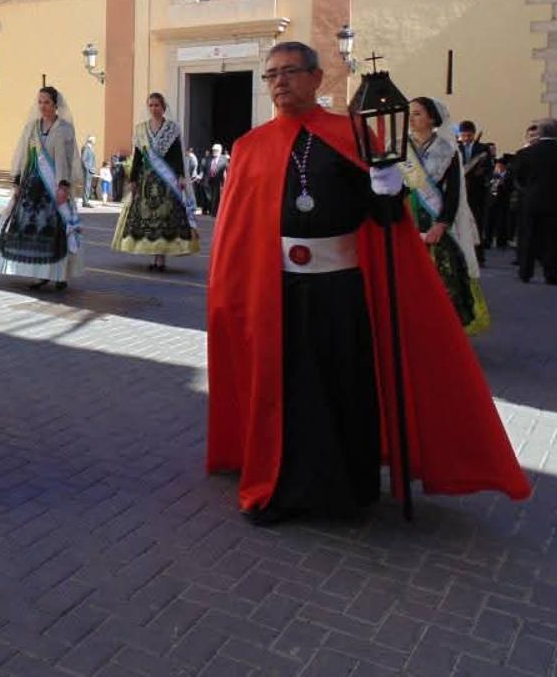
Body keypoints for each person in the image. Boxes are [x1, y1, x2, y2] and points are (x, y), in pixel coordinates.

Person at [207, 41, 529, 525]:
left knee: (341, 384)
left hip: (339, 288)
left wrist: (385, 189)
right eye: (271, 74)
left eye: (290, 71)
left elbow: (383, 221)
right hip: (279, 292)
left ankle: (347, 488)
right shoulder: (249, 147)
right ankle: (287, 486)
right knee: (288, 391)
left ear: (317, 78)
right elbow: (237, 231)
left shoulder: (351, 134)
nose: (279, 82)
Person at [399, 98, 490, 334]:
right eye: (410, 113)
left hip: (435, 222)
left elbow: (454, 195)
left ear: (432, 118)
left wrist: (442, 224)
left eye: (418, 113)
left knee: (443, 279)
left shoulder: (446, 150)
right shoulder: (398, 147)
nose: (411, 118)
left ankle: (441, 332)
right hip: (404, 220)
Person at [0, 85, 83, 291]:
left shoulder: (64, 128)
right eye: (40, 102)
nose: (43, 106)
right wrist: (17, 181)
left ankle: (59, 275)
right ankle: (40, 275)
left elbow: (66, 159)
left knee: (56, 231)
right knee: (33, 231)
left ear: (55, 104)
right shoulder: (32, 128)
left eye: (47, 102)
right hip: (33, 186)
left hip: (54, 187)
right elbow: (23, 154)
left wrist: (63, 186)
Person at [111, 92, 200, 270]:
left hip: (166, 181)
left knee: (164, 218)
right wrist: (133, 179)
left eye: (157, 105)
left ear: (163, 107)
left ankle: (161, 258)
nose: (153, 109)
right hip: (146, 179)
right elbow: (137, 157)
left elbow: (176, 156)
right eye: (150, 105)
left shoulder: (172, 129)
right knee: (148, 217)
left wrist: (181, 176)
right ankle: (153, 257)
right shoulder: (141, 129)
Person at [512, 117, 557, 285]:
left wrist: (527, 190)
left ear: (540, 132)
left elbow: (518, 177)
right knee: (553, 238)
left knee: (528, 235)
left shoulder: (525, 153)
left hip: (531, 199)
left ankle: (525, 272)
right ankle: (551, 273)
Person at [457, 120, 492, 266]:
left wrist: (481, 171)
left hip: (477, 192)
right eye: (463, 135)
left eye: (469, 135)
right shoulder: (456, 147)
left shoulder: (483, 148)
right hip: (460, 190)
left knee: (477, 223)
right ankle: (461, 256)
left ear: (473, 133)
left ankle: (479, 257)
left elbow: (489, 167)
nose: (466, 138)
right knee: (460, 224)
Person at [483, 155, 515, 251]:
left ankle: (501, 242)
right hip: (491, 201)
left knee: (501, 222)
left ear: (504, 167)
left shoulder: (508, 175)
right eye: (497, 166)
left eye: (500, 166)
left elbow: (510, 188)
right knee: (489, 221)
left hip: (502, 202)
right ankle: (487, 240)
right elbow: (486, 184)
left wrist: (502, 183)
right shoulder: (491, 174)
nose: (498, 168)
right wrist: (491, 181)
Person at [202, 143, 229, 216]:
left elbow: (228, 169)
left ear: (220, 151)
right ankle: (208, 210)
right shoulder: (208, 158)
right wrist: (202, 177)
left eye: (216, 150)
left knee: (215, 197)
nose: (214, 152)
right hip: (208, 180)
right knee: (208, 197)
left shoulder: (224, 159)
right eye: (213, 150)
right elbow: (204, 169)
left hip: (217, 181)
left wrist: (226, 180)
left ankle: (214, 213)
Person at [80, 135, 97, 207]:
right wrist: (88, 168)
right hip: (88, 170)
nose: (95, 141)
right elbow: (83, 159)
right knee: (87, 186)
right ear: (91, 140)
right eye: (94, 140)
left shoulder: (90, 148)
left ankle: (86, 201)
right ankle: (85, 202)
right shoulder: (87, 148)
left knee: (88, 186)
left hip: (90, 170)